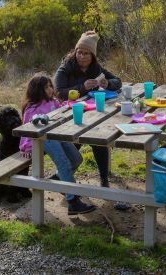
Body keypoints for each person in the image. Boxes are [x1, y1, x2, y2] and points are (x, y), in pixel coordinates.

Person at [54, 30, 129, 210]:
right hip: (68, 114)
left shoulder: (96, 68)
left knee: (99, 140)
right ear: (75, 51)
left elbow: (118, 81)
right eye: (80, 52)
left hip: (93, 111)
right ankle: (62, 179)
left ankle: (103, 178)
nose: (82, 56)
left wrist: (107, 84)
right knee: (74, 142)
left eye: (86, 53)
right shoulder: (65, 68)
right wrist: (81, 87)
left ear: (92, 55)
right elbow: (58, 91)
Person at [19, 72, 96, 215]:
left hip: (59, 135)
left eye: (50, 86)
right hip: (43, 139)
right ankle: (73, 202)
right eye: (46, 87)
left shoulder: (53, 101)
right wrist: (26, 147)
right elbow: (26, 130)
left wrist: (68, 105)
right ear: (37, 90)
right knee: (64, 163)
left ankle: (59, 178)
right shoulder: (32, 109)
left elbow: (60, 110)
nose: (50, 89)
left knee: (77, 159)